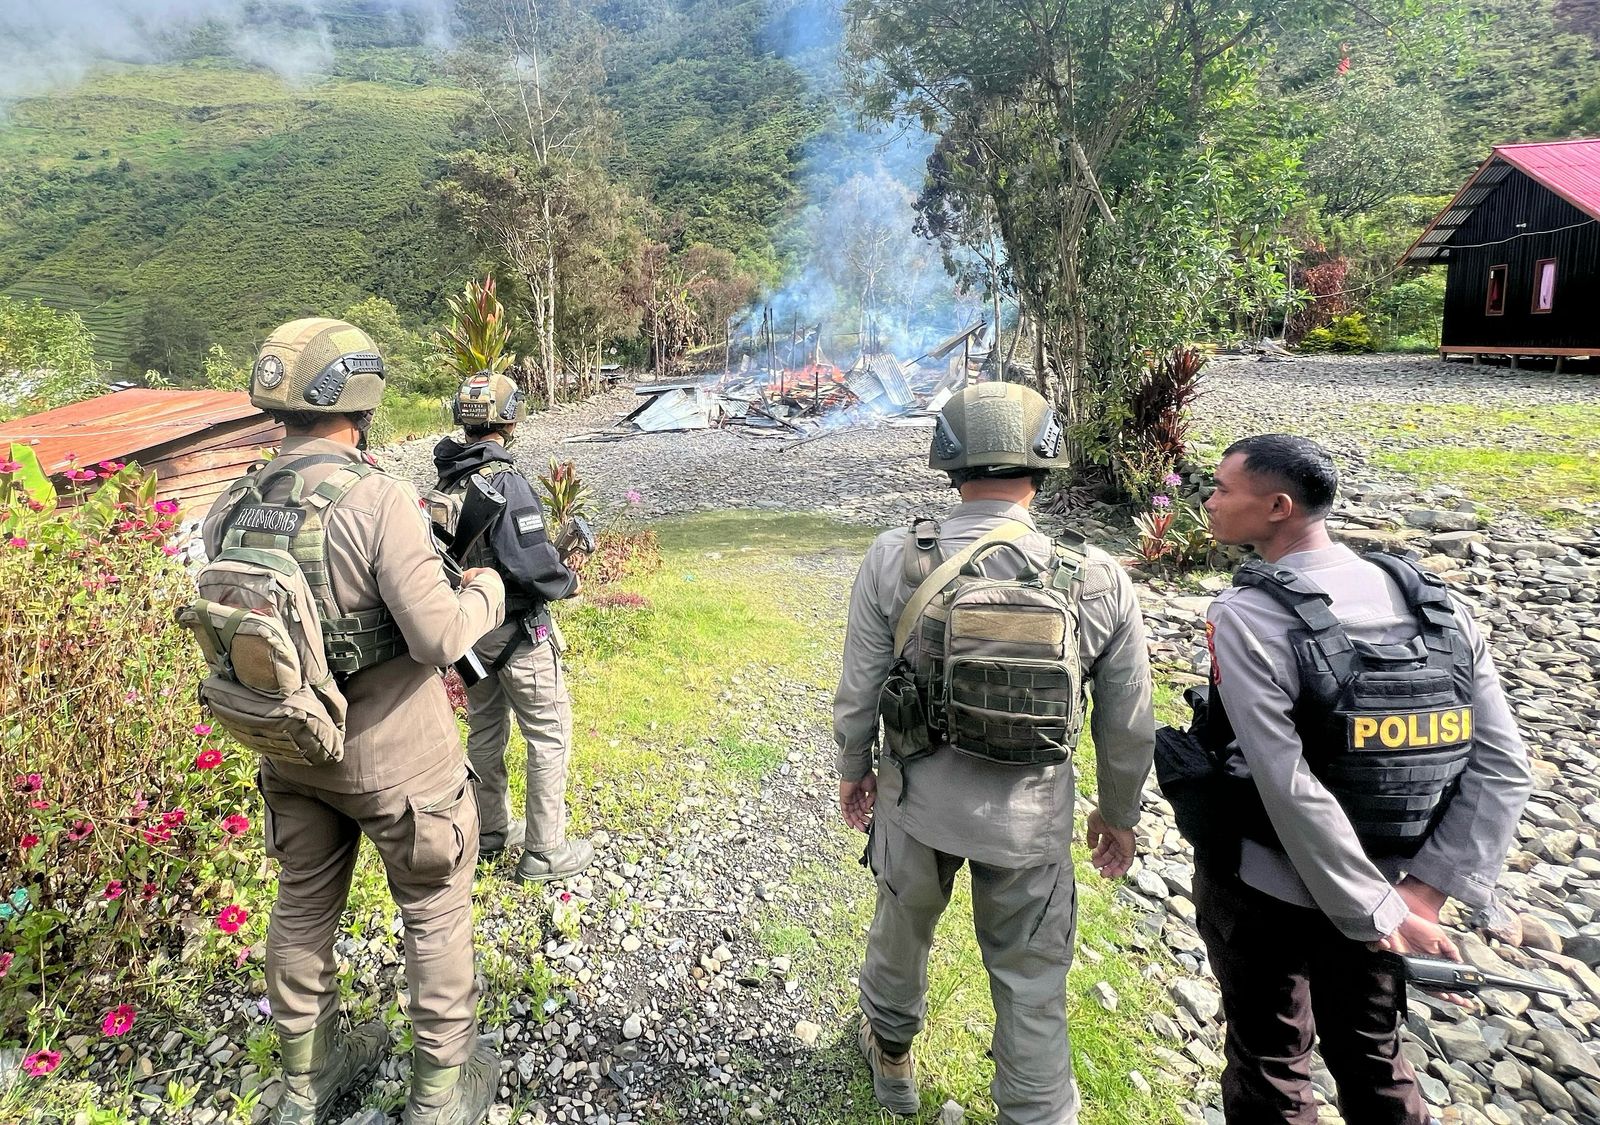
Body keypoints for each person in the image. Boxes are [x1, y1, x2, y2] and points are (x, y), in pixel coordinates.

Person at [202, 319, 507, 1125]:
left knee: (301, 905)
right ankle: (440, 1094)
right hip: (397, 758)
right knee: (434, 912)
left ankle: (307, 1082)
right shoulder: (376, 498)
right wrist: (488, 589)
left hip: (291, 746)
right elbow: (438, 635)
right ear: (362, 401)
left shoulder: (235, 500)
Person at [833, 382, 1156, 1124]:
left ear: (950, 464)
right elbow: (1127, 721)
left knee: (900, 931)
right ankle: (1036, 1111)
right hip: (1031, 824)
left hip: (915, 803)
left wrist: (855, 770)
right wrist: (1117, 813)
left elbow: (859, 688)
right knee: (1033, 980)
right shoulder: (1098, 576)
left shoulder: (895, 557)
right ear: (1044, 465)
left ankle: (891, 1058)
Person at [1195, 433, 1532, 1124]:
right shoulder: (1442, 610)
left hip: (1270, 885)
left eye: (1225, 488)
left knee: (1271, 1060)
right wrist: (1421, 894)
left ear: (1278, 507)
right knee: (1376, 1058)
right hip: (1394, 890)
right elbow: (1503, 764)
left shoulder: (1248, 616)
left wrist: (1377, 911)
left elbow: (1285, 783)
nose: (1210, 499)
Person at [430, 370, 592, 882]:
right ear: (510, 417)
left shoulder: (447, 478)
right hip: (520, 632)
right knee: (548, 733)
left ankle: (493, 831)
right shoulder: (507, 480)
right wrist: (568, 582)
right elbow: (532, 565)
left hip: (471, 634)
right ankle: (545, 852)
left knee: (485, 731)